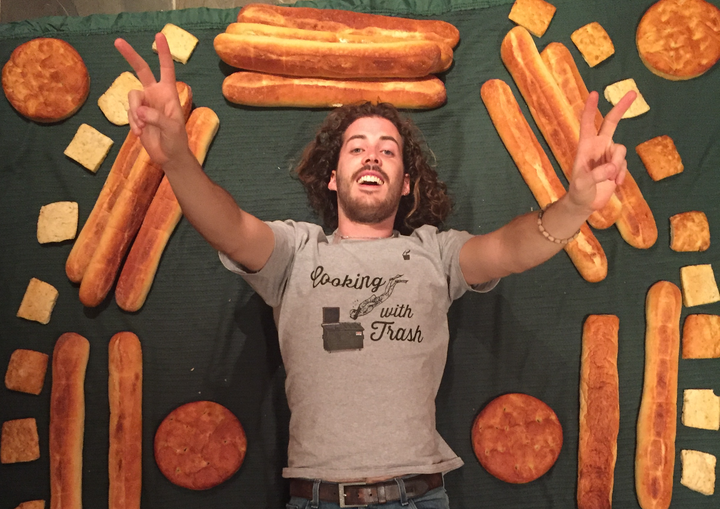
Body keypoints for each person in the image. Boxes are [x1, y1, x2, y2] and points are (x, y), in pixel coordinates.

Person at [115, 33, 636, 509]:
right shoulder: (299, 250)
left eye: (388, 150)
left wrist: (574, 204)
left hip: (419, 496)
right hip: (317, 497)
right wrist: (178, 159)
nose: (372, 157)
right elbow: (228, 226)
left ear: (406, 183)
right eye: (357, 148)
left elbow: (512, 248)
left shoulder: (437, 253)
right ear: (334, 179)